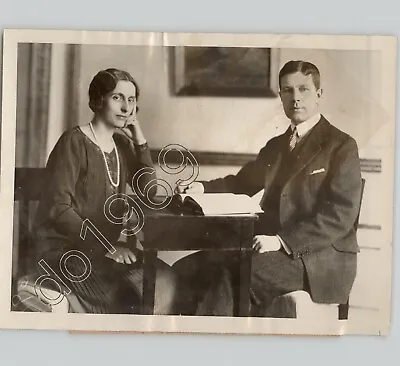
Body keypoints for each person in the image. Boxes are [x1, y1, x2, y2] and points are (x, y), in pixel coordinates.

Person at [173, 60, 363, 316]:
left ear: (319, 94)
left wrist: (282, 242)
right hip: (270, 247)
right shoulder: (276, 146)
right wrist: (201, 188)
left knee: (235, 274)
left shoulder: (342, 146)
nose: (295, 98)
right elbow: (241, 183)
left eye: (303, 89)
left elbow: (339, 217)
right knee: (188, 268)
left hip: (318, 257)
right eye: (287, 90)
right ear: (281, 96)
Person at [30, 68, 177, 314]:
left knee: (164, 280)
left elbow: (149, 191)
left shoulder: (121, 145)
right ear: (98, 100)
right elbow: (59, 208)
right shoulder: (73, 141)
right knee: (128, 296)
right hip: (65, 251)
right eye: (117, 97)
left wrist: (138, 138)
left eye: (131, 100)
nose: (126, 108)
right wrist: (107, 247)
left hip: (103, 252)